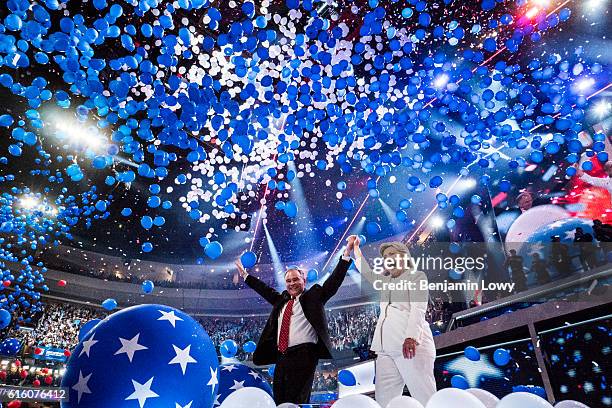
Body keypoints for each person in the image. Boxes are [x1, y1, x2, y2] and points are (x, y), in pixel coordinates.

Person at [235, 238, 354, 405]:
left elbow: (333, 282)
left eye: (296, 279)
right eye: (289, 281)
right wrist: (245, 275)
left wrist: (346, 255)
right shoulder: (281, 301)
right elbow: (264, 289)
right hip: (282, 356)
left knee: (297, 399)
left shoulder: (314, 297)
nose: (292, 283)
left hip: (304, 354)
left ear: (303, 280)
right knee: (280, 398)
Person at [350, 237, 436, 407]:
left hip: (411, 345)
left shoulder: (416, 276)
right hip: (385, 350)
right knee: (384, 401)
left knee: (424, 396)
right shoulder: (385, 282)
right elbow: (367, 272)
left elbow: (418, 308)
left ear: (404, 256)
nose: (387, 258)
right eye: (385, 256)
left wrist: (411, 337)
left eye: (391, 254)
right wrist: (356, 250)